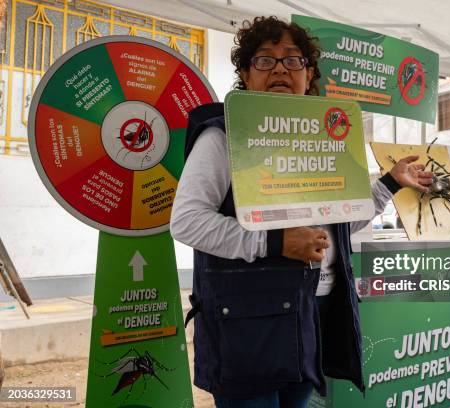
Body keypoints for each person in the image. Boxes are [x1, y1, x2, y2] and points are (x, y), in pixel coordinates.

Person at [170, 16, 433, 408]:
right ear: (245, 74)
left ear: (309, 76)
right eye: (264, 60)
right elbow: (187, 221)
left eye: (293, 60)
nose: (279, 68)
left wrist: (389, 183)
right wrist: (275, 241)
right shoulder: (222, 137)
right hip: (246, 323)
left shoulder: (327, 138)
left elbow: (338, 228)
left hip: (314, 313)